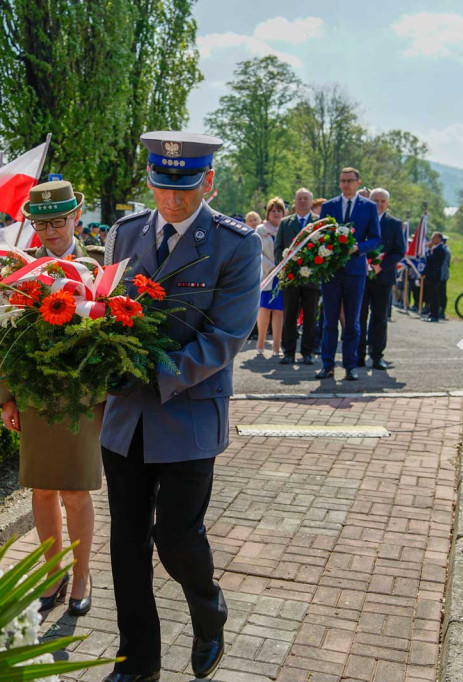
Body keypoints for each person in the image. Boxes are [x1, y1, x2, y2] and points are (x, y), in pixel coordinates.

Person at [100, 131, 261, 682]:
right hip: (125, 417)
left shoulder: (236, 245)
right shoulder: (124, 235)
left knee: (175, 535)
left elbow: (224, 337)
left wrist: (150, 369)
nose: (172, 200)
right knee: (126, 543)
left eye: (186, 189)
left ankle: (208, 608)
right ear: (149, 180)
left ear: (208, 182)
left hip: (189, 412)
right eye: (163, 187)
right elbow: (106, 309)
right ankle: (136, 662)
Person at [0, 181, 103, 619]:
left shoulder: (95, 266)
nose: (50, 230)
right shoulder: (20, 268)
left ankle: (81, 575)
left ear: (76, 216)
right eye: (41, 222)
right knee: (41, 490)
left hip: (80, 397)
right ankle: (52, 573)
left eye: (58, 220)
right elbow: (3, 335)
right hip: (35, 396)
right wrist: (6, 398)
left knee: (76, 492)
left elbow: (109, 329)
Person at [316, 168, 381, 380]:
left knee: (352, 321)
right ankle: (327, 365)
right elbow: (320, 234)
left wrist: (358, 248)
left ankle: (350, 365)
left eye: (350, 181)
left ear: (358, 182)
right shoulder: (329, 205)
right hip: (332, 271)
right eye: (343, 181)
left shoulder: (369, 207)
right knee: (329, 320)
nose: (346, 184)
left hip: (355, 270)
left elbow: (376, 239)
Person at [357, 188, 406, 370]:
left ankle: (377, 355)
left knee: (380, 317)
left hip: (383, 278)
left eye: (382, 201)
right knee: (359, 317)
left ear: (388, 203)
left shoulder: (394, 223)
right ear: (369, 201)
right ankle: (358, 355)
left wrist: (380, 266)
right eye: (375, 200)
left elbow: (399, 251)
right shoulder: (361, 219)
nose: (379, 204)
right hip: (360, 276)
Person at [276, 188, 319, 365]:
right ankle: (289, 351)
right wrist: (284, 266)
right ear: (294, 202)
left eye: (306, 198)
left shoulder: (319, 223)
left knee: (310, 317)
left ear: (311, 202)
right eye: (299, 198)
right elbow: (278, 248)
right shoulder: (286, 223)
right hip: (291, 278)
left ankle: (307, 352)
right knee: (289, 315)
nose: (302, 201)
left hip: (312, 279)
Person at [254, 197, 285, 357]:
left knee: (279, 311)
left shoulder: (285, 228)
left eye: (279, 210)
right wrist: (272, 267)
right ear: (267, 213)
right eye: (273, 211)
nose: (276, 213)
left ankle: (276, 346)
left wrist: (282, 268)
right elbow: (256, 252)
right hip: (266, 275)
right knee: (264, 309)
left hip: (283, 276)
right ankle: (260, 342)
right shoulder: (260, 230)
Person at [423, 233, 449, 322]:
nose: (432, 239)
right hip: (430, 275)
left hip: (435, 275)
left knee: (435, 295)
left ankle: (435, 314)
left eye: (434, 238)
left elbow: (432, 260)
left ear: (439, 239)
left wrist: (428, 251)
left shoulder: (441, 249)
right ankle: (431, 312)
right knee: (430, 295)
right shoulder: (435, 248)